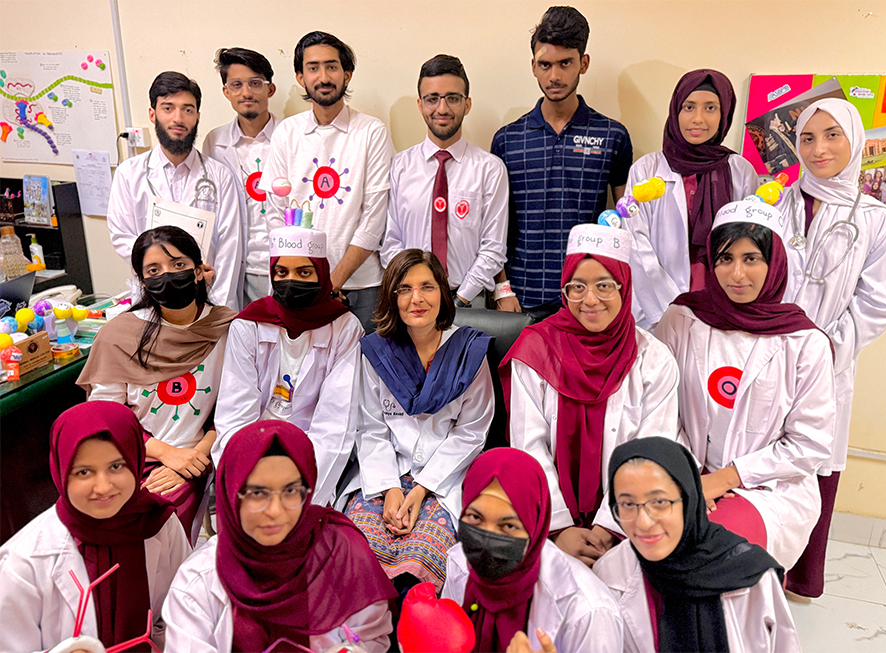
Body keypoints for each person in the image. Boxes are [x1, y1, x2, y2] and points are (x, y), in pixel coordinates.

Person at [654, 199, 835, 570]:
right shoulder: (682, 318)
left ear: (775, 263)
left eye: (751, 258)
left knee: (710, 555)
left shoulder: (804, 341)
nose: (737, 274)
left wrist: (727, 478)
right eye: (725, 259)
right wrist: (690, 478)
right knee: (646, 551)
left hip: (768, 487)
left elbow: (810, 443)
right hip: (684, 473)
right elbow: (659, 407)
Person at [501, 224, 680, 566]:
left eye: (604, 286)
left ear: (625, 288)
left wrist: (609, 527)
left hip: (628, 522)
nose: (591, 299)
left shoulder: (653, 359)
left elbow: (650, 451)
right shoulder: (536, 348)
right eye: (577, 287)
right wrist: (559, 527)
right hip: (548, 519)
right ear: (564, 291)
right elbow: (528, 444)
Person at [777, 98, 886, 597]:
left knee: (813, 460)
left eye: (831, 136)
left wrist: (826, 348)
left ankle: (800, 575)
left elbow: (877, 302)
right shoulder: (775, 202)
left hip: (828, 361)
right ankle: (757, 566)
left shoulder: (876, 218)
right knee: (761, 454)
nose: (818, 148)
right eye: (807, 137)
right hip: (767, 353)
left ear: (855, 141)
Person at [163, 421, 396, 652]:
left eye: (291, 491)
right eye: (257, 493)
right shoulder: (198, 580)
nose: (275, 510)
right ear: (231, 493)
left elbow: (372, 637)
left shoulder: (341, 551)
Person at [344, 249, 494, 592]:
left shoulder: (469, 353)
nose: (417, 298)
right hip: (385, 474)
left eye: (427, 286)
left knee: (420, 556)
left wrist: (423, 487)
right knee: (357, 552)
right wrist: (390, 488)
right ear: (391, 296)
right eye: (404, 288)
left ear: (443, 291)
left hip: (444, 481)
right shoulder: (376, 353)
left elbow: (472, 431)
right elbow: (370, 428)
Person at [78, 226, 236, 544]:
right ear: (142, 281)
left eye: (178, 265)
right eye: (154, 270)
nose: (167, 275)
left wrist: (192, 459)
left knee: (155, 529)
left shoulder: (228, 329)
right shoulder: (119, 335)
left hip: (195, 458)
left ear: (199, 270)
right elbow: (105, 419)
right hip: (129, 455)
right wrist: (166, 454)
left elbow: (235, 410)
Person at [0, 402, 190, 652]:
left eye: (116, 466)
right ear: (60, 470)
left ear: (136, 459)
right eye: (84, 472)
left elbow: (186, 614)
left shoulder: (159, 524)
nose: (102, 487)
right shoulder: (23, 561)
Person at [593, 437, 801, 653]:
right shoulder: (610, 573)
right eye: (627, 504)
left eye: (660, 502)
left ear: (689, 499)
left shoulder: (752, 577)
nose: (644, 522)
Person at [491, 6, 633, 317]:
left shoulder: (613, 136)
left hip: (589, 296)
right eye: (545, 65)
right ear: (533, 66)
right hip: (521, 297)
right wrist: (502, 288)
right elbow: (495, 225)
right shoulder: (507, 139)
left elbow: (627, 223)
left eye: (565, 63)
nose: (554, 76)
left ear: (583, 63)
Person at [214, 222, 363, 507]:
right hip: (251, 455)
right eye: (282, 272)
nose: (291, 280)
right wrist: (248, 479)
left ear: (321, 273)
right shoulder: (249, 324)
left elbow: (335, 424)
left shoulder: (344, 328)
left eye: (304, 272)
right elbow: (234, 414)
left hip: (310, 458)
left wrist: (297, 491)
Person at [260, 31, 394, 331]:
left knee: (363, 374)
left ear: (346, 75)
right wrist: (307, 277)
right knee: (301, 375)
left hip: (360, 286)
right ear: (300, 77)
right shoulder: (287, 133)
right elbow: (275, 213)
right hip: (298, 287)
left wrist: (333, 280)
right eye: (313, 67)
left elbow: (375, 218)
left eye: (332, 67)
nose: (323, 76)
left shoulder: (371, 131)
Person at [441, 448, 623, 653]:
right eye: (475, 518)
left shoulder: (589, 613)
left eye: (509, 526)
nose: (487, 540)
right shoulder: (460, 566)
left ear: (535, 526)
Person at [623, 69, 758, 332]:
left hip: (725, 308)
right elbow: (635, 245)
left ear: (725, 114)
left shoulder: (740, 171)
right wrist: (671, 310)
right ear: (675, 111)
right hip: (657, 310)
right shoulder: (646, 169)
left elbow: (752, 244)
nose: (698, 118)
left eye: (710, 108)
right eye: (689, 107)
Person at [107, 71, 243, 310]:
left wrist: (218, 304)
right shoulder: (129, 173)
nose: (178, 118)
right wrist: (158, 275)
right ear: (153, 114)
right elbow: (122, 236)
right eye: (168, 108)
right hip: (152, 295)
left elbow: (230, 245)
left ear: (198, 116)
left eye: (188, 109)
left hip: (207, 296)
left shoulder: (220, 176)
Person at [381, 54, 508, 308]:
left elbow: (493, 248)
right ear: (420, 105)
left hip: (469, 300)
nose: (442, 108)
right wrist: (415, 290)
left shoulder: (489, 169)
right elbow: (390, 242)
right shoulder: (400, 167)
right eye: (432, 99)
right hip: (411, 301)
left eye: (452, 98)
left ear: (467, 104)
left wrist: (459, 300)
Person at [203, 47, 281, 306]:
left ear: (270, 89)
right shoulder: (215, 142)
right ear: (226, 92)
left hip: (281, 264)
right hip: (236, 265)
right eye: (236, 85)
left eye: (255, 84)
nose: (246, 93)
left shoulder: (291, 137)